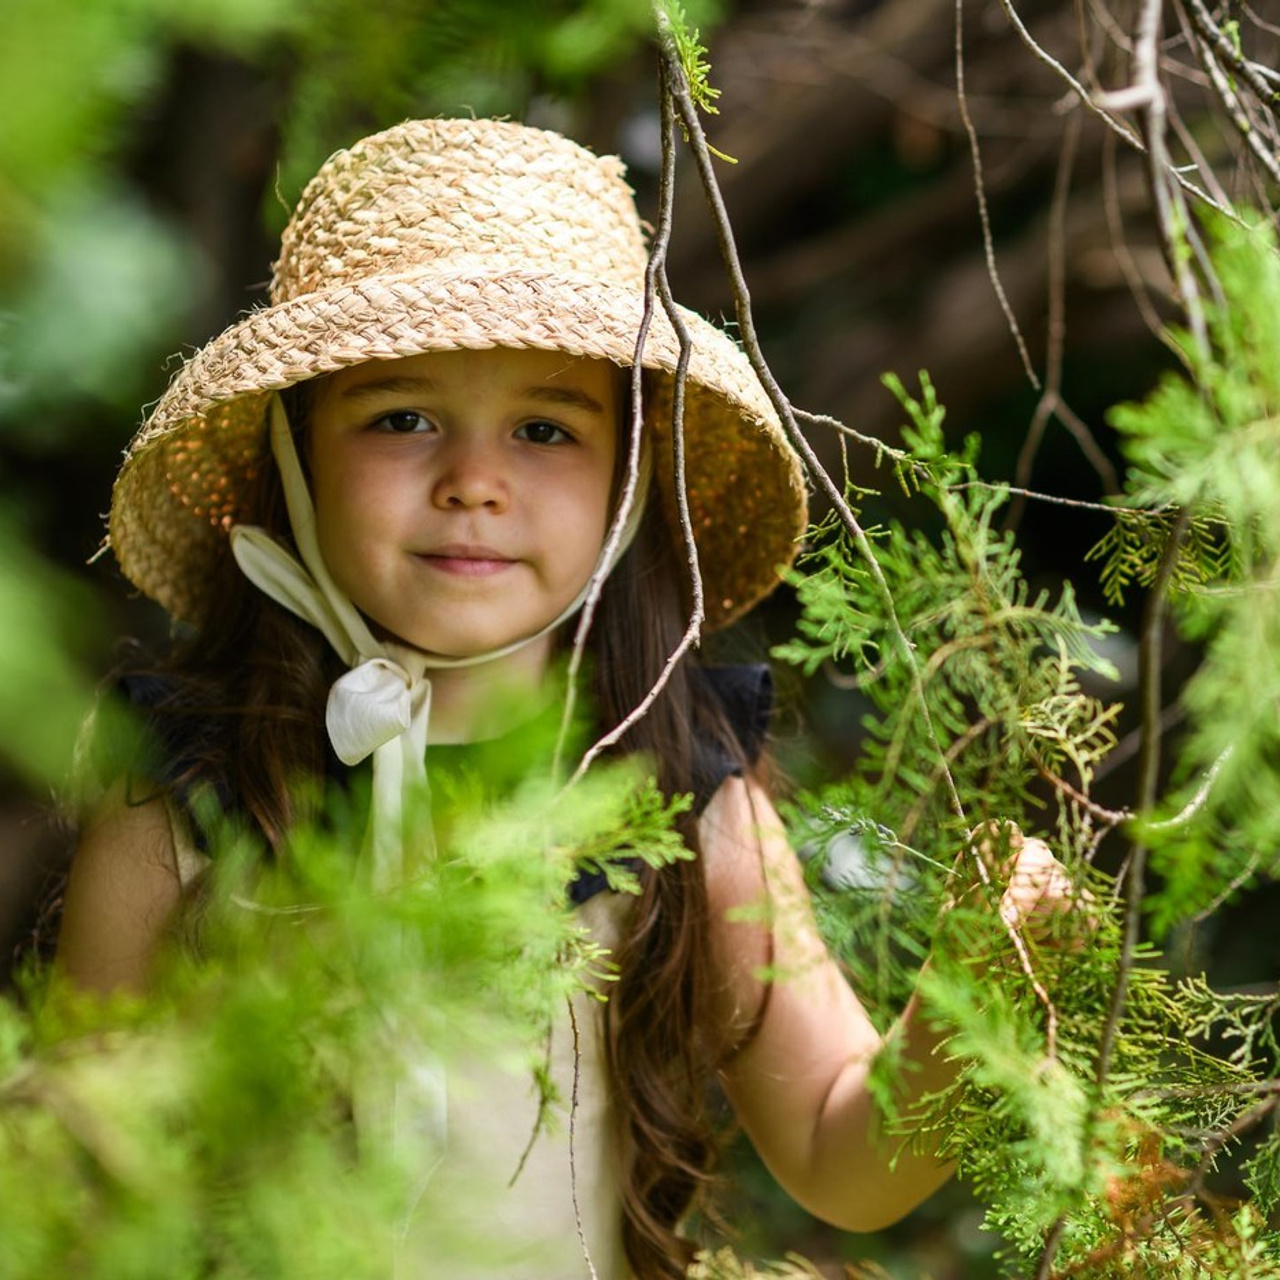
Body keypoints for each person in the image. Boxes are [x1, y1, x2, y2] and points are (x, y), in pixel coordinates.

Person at [57, 118, 1077, 1278]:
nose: (474, 482)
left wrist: (963, 1014)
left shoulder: (679, 786)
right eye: (400, 418)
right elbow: (76, 1198)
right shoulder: (187, 792)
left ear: (627, 481)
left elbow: (838, 1156)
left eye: (545, 429)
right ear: (294, 460)